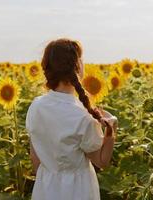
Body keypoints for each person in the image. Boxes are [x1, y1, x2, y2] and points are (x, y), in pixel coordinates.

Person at [25, 38, 117, 200]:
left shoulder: (36, 106)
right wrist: (112, 127)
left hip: (45, 187)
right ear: (78, 67)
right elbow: (101, 161)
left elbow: (35, 158)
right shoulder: (82, 116)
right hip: (77, 190)